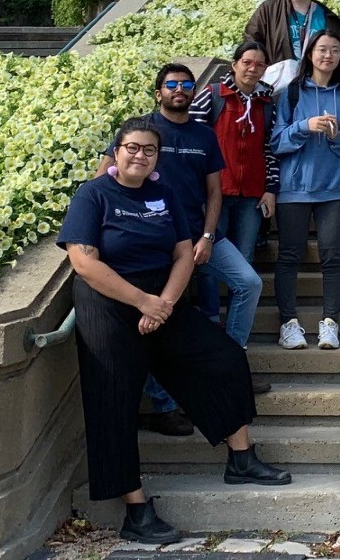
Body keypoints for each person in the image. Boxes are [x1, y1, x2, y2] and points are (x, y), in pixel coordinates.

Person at [61, 117, 290, 546]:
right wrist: (142, 302)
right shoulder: (92, 195)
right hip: (108, 305)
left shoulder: (163, 194)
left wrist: (162, 304)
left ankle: (241, 458)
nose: (140, 156)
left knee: (223, 358)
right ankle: (135, 509)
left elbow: (184, 254)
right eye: (132, 148)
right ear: (116, 151)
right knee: (114, 400)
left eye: (149, 150)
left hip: (162, 298)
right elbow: (84, 262)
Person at [96, 64, 267, 430]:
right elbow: (104, 177)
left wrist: (206, 237)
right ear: (158, 92)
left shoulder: (203, 135)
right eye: (171, 84)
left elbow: (214, 192)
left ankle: (229, 361)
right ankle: (163, 404)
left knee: (249, 283)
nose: (179, 89)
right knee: (161, 314)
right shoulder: (140, 131)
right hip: (154, 239)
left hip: (199, 236)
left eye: (186, 84)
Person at [271, 30, 340, 351]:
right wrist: (304, 126)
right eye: (322, 49)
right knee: (288, 255)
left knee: (333, 256)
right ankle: (289, 323)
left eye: (335, 50)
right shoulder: (290, 94)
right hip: (293, 189)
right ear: (310, 54)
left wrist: (338, 137)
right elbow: (275, 142)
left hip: (334, 190)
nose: (328, 55)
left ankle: (330, 322)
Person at [188, 42, 278, 349]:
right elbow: (194, 139)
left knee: (245, 260)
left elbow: (270, 149)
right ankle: (212, 319)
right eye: (247, 62)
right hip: (215, 194)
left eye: (259, 65)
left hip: (251, 195)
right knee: (209, 257)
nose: (253, 69)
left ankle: (236, 335)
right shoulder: (212, 96)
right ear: (235, 64)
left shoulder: (267, 102)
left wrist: (270, 189)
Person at [245, 0, 340, 93]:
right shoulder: (269, 10)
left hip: (316, 90)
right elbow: (251, 42)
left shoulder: (327, 15)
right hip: (278, 89)